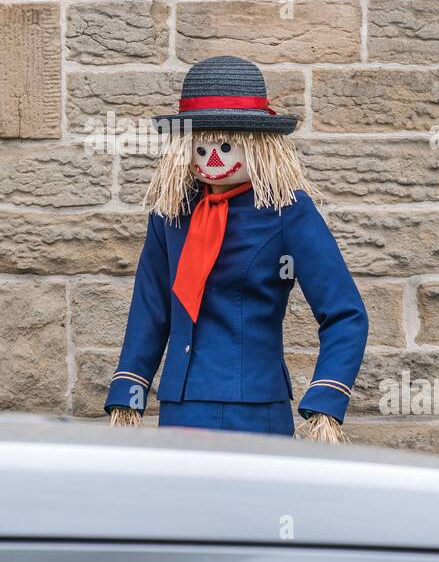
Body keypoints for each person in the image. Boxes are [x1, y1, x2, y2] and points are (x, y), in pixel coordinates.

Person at [105, 55, 369, 442]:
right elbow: (150, 312)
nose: (212, 159)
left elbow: (345, 313)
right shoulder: (170, 216)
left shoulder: (287, 212)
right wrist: (128, 395)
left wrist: (326, 401)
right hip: (181, 406)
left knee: (256, 503)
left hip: (255, 407)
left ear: (258, 147)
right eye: (201, 148)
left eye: (227, 146)